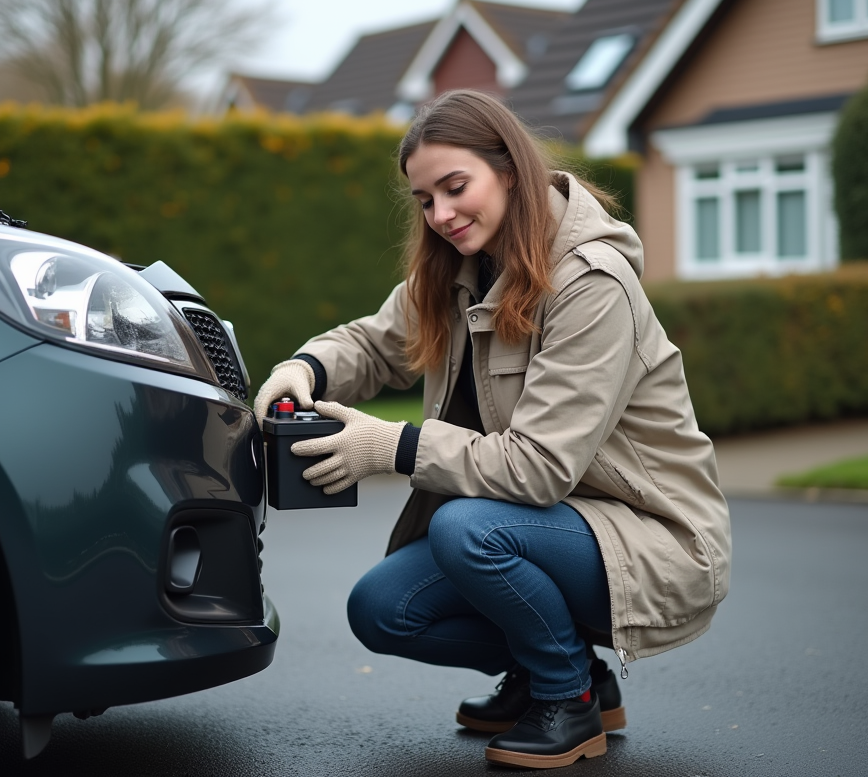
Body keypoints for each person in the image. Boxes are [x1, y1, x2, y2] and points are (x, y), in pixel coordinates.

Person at [252, 90, 731, 770]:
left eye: (456, 188)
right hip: (546, 524)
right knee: (382, 609)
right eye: (425, 200)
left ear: (509, 170)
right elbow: (375, 343)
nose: (441, 215)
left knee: (467, 529)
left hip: (653, 537)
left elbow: (538, 468)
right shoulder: (457, 269)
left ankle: (567, 700)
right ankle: (567, 673)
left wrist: (392, 446)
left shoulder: (591, 283)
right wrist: (305, 368)